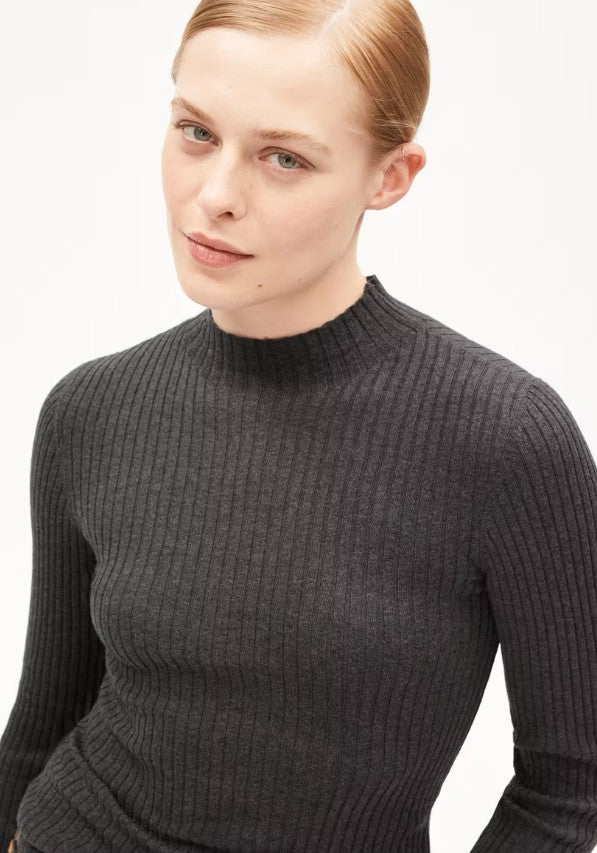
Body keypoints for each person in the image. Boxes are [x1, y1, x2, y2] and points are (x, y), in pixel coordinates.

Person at [1, 1, 596, 851]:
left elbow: (569, 786)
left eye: (283, 157)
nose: (214, 197)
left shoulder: (505, 439)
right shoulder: (91, 410)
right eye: (196, 132)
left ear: (390, 176)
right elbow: (38, 729)